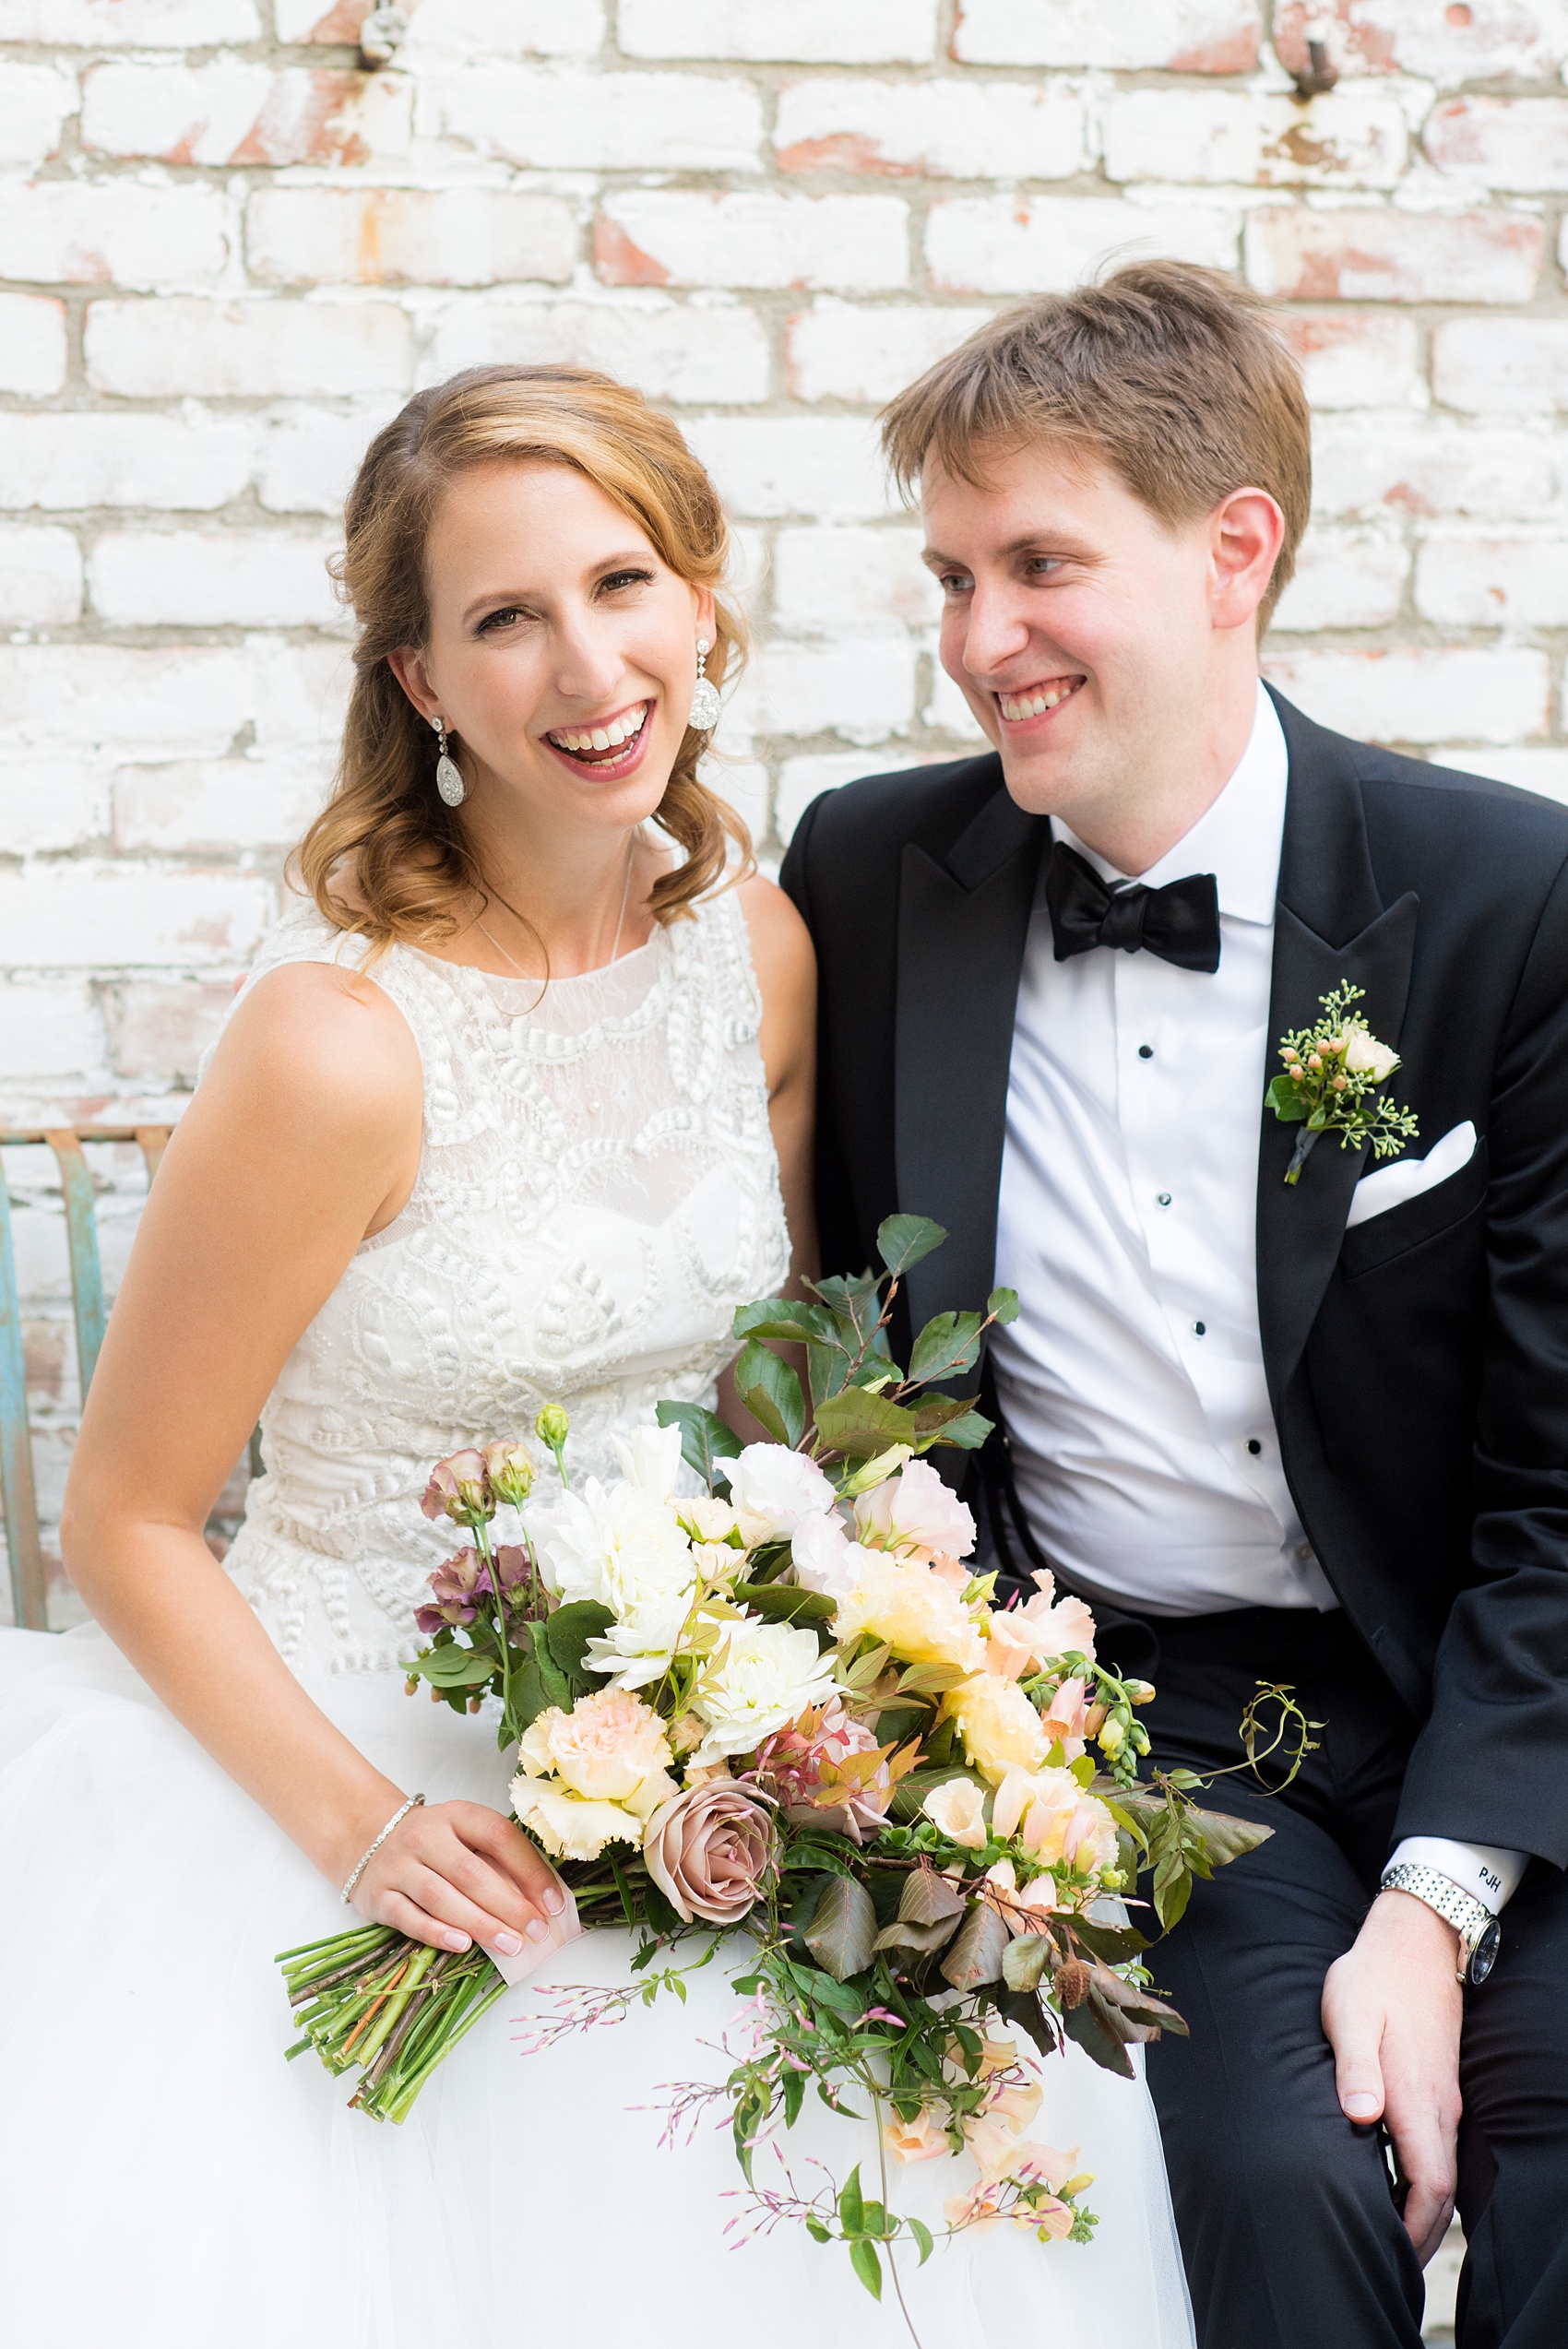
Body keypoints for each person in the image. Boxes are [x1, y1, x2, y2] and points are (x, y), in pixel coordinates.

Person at [0, 365, 1192, 2346]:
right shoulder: (334, 1044)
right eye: (502, 618)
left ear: (703, 601)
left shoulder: (757, 949)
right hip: (357, 1770)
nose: (587, 662)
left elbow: (791, 1392)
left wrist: (848, 1670)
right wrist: (360, 1825)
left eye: (622, 580)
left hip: (690, 1778)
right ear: (421, 681)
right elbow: (119, 1515)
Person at [781, 261, 1568, 2349]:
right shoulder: (866, 880)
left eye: (1040, 563)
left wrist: (1437, 1898)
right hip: (1155, 1727)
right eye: (950, 575)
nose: (976, 640)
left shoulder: (1506, 896)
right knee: (1271, 2177)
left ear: (1236, 552)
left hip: (1496, 1685)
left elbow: (1562, 1488)